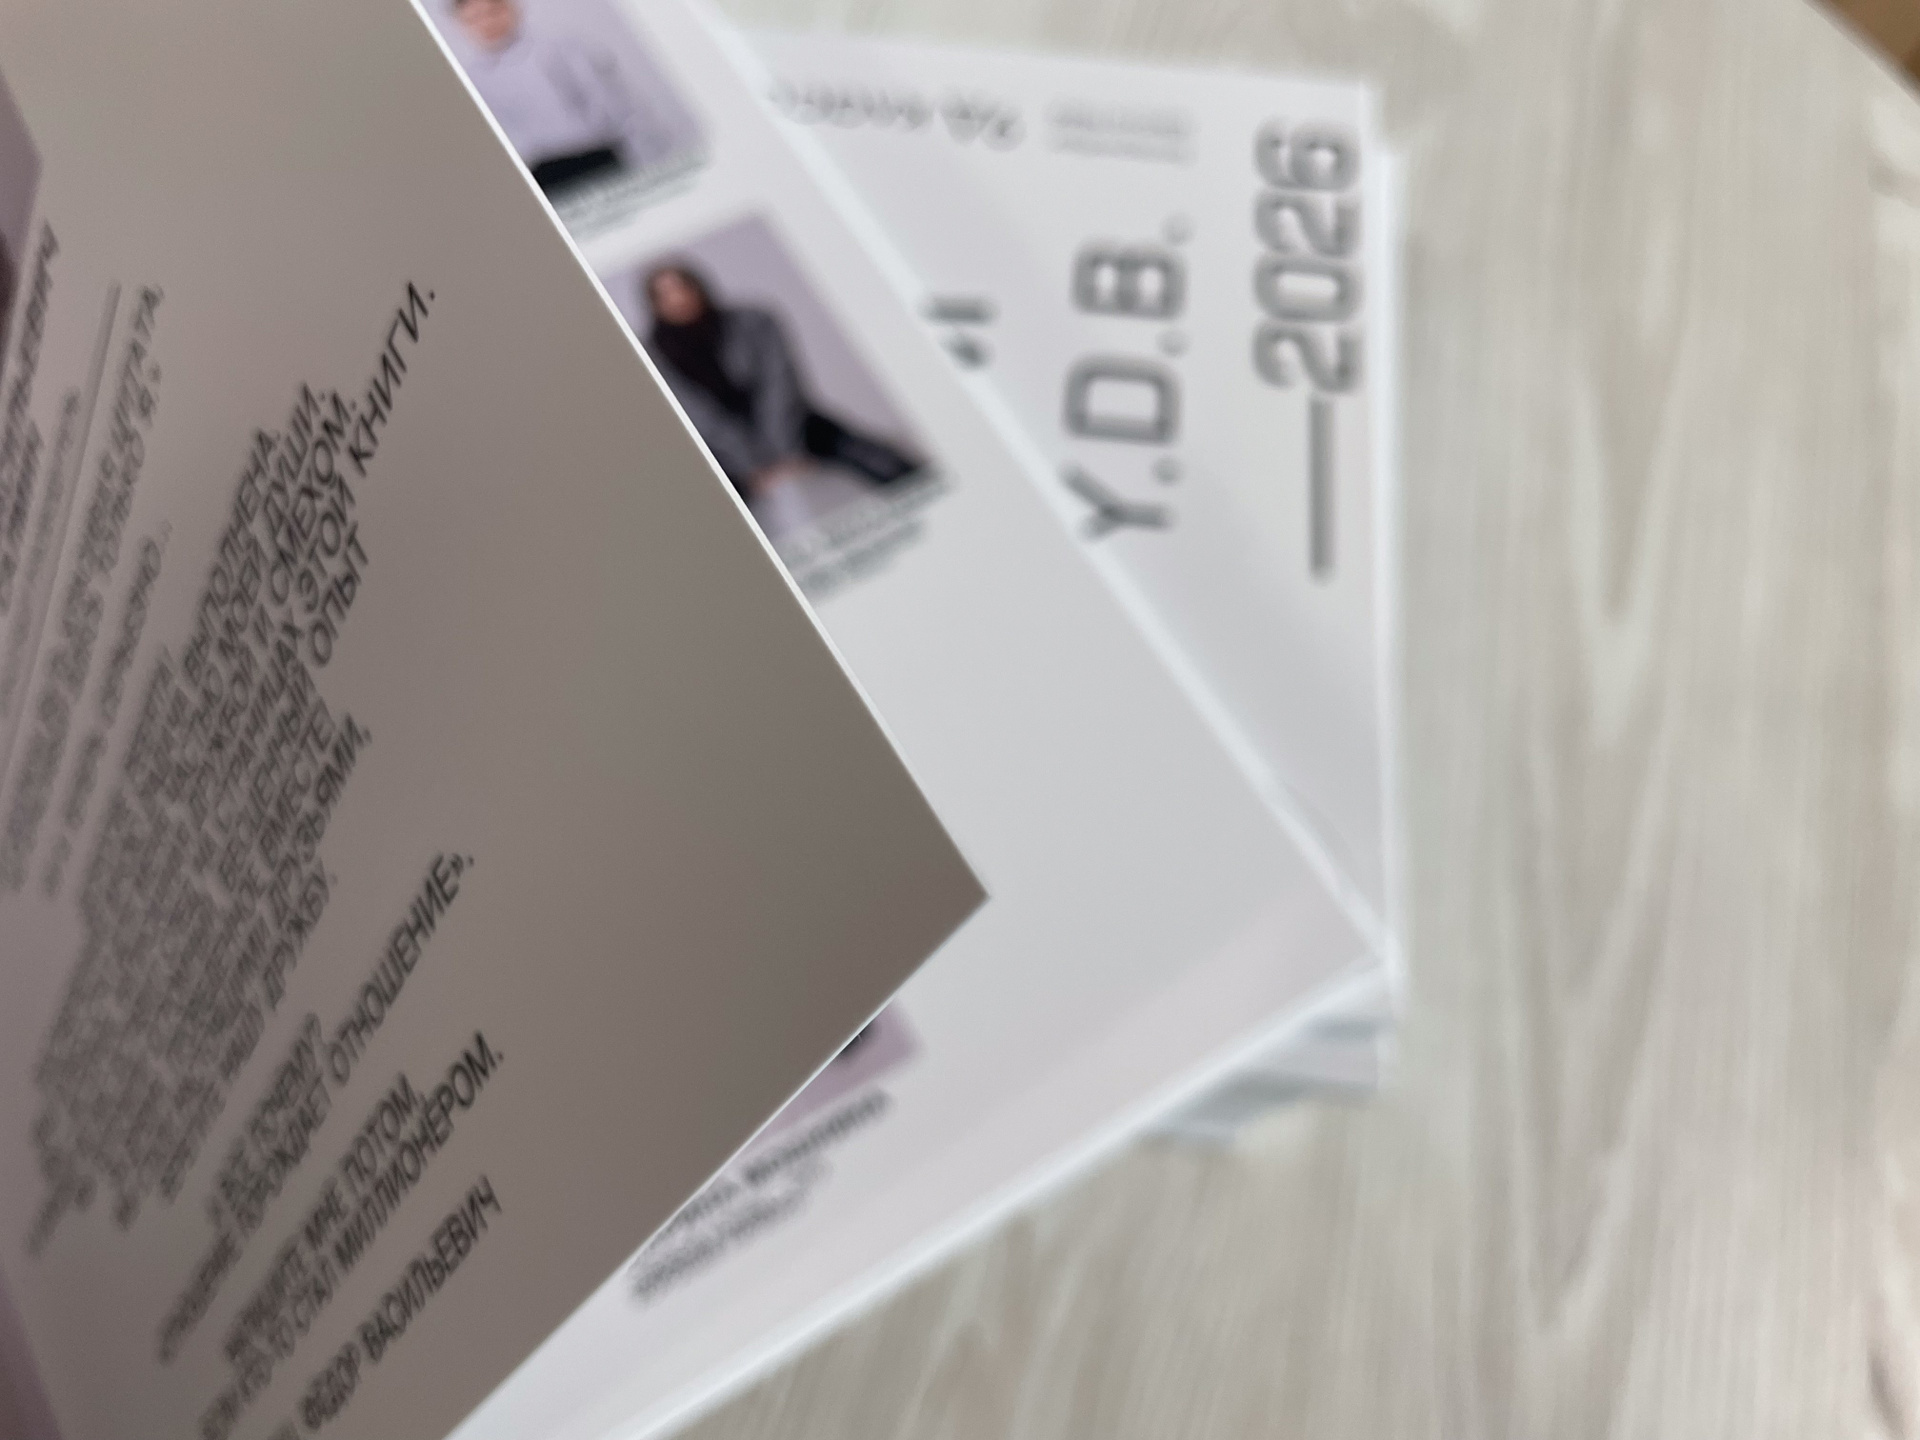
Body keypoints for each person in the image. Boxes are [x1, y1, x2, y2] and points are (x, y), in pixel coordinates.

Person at [640, 263, 921, 502]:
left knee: (885, 464)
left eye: (682, 288)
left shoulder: (753, 321)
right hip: (723, 450)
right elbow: (698, 415)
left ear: (699, 287)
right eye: (665, 294)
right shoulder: (653, 353)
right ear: (654, 303)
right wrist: (751, 466)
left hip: (793, 423)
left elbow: (780, 386)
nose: (678, 299)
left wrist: (785, 452)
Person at [450, 0, 684, 196]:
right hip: (542, 175)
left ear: (511, 8)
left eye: (493, 12)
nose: (487, 23)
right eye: (474, 18)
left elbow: (616, 105)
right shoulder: (472, 80)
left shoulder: (561, 48)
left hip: (597, 157)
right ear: (461, 25)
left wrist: (652, 158)